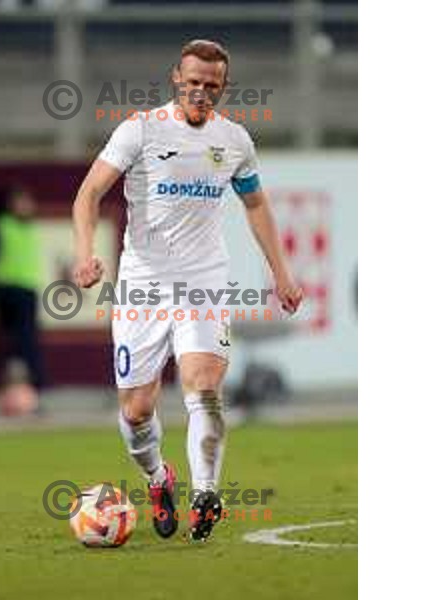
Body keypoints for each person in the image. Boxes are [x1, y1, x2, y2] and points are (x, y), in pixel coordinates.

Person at [72, 40, 303, 541]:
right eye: (194, 82)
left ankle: (205, 493)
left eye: (212, 86)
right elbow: (89, 193)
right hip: (142, 285)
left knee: (203, 386)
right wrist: (86, 251)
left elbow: (256, 205)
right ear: (177, 77)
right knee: (136, 412)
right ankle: (159, 479)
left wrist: (280, 272)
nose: (201, 92)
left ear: (223, 88)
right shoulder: (140, 130)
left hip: (203, 280)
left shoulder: (235, 141)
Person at [0, 187, 45, 398]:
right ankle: (20, 391)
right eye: (22, 201)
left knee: (26, 342)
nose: (28, 206)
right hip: (7, 291)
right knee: (18, 343)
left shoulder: (28, 227)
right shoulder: (1, 226)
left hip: (27, 290)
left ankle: (27, 391)